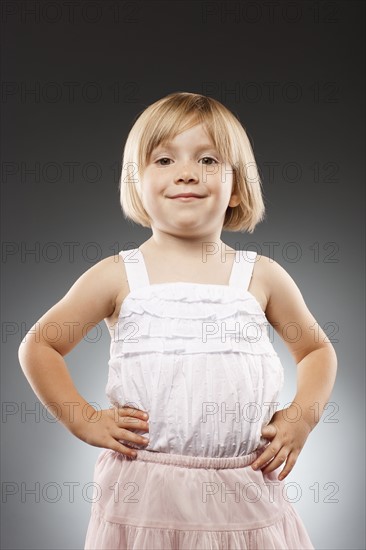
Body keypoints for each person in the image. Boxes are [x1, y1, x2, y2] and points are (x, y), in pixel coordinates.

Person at [18, 92, 338, 549]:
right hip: (144, 493)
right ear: (137, 182)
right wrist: (84, 419)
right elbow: (40, 345)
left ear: (238, 187)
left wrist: (301, 418)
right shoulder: (118, 274)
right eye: (164, 159)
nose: (186, 171)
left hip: (245, 492)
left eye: (208, 159)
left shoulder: (261, 275)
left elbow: (316, 351)